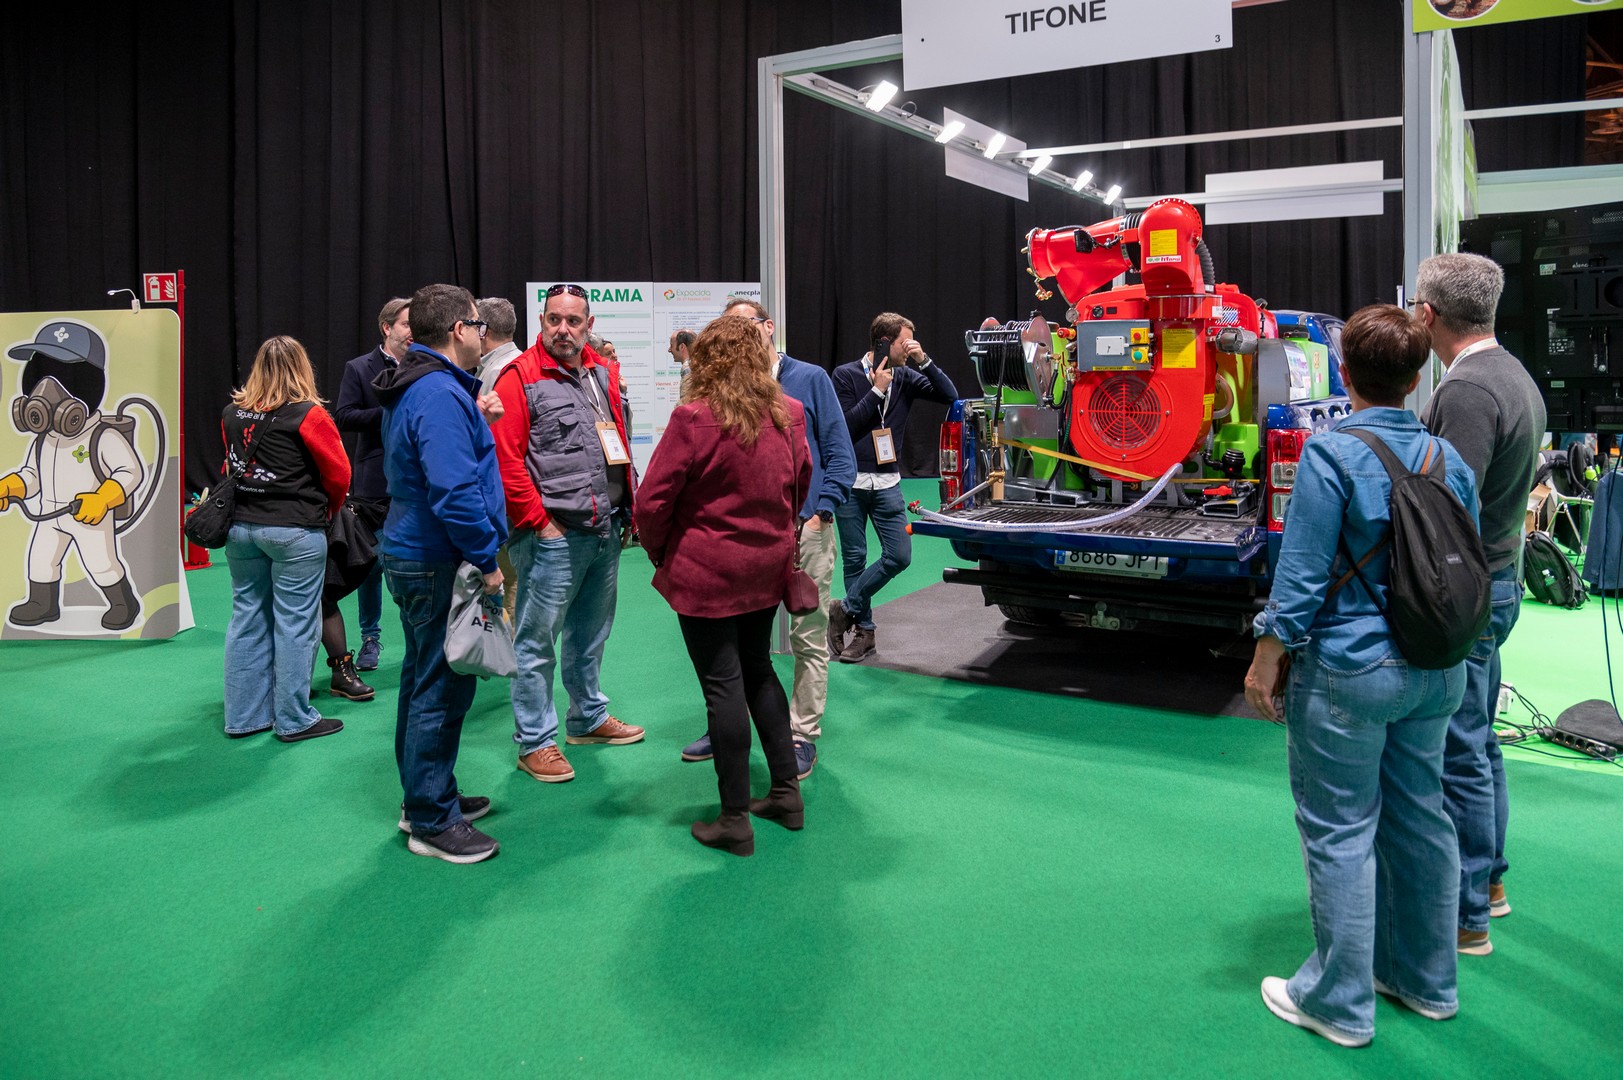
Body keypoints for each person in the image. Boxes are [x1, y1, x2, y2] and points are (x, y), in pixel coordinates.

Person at [1244, 305, 1479, 1047]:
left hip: (1350, 669)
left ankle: (1338, 1002)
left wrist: (1266, 656)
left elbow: (1302, 572)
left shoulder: (1330, 454)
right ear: (1417, 377)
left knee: (1339, 828)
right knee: (1422, 818)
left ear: (1343, 372)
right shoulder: (1449, 460)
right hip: (1436, 670)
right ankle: (1426, 982)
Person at [635, 315, 811, 855]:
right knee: (759, 669)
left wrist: (662, 553)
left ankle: (734, 819)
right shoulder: (790, 413)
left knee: (722, 684)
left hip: (707, 572)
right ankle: (786, 794)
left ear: (706, 361)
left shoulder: (693, 418)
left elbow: (651, 502)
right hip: (766, 568)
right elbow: (800, 484)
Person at [1413, 252, 1547, 955]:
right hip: (1498, 579)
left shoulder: (1465, 391)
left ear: (1427, 315)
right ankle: (1488, 884)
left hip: (1470, 591)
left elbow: (1448, 508)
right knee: (1479, 742)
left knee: (1459, 751)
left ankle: (1465, 915)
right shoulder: (1513, 375)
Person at [679, 298, 855, 779]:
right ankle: (726, 726)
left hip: (804, 533)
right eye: (728, 327)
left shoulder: (810, 379)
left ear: (768, 327)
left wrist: (820, 513)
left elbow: (839, 455)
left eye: (745, 325)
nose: (737, 336)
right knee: (733, 642)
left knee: (807, 636)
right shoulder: (717, 388)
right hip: (745, 541)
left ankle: (801, 735)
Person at [373, 283, 507, 864]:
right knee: (441, 685)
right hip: (436, 557)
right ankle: (431, 818)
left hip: (416, 551)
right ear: (459, 329)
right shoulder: (438, 392)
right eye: (478, 324)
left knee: (423, 677)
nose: (483, 334)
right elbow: (454, 491)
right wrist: (487, 559)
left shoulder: (422, 385)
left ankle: (425, 796)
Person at [491, 282, 643, 785]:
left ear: (588, 325)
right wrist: (541, 524)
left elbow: (617, 444)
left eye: (573, 321)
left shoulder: (601, 373)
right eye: (554, 319)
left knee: (590, 633)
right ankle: (535, 741)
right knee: (536, 642)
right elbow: (506, 461)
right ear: (541, 322)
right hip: (552, 536)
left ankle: (587, 717)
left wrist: (626, 511)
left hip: (604, 528)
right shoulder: (520, 378)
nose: (563, 329)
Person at [220, 336, 351, 743]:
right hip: (294, 530)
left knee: (247, 617)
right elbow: (340, 474)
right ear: (302, 367)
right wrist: (326, 512)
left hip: (241, 528)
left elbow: (231, 463)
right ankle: (294, 718)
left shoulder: (232, 413)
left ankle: (244, 716)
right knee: (296, 623)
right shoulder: (309, 414)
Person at [828, 312, 958, 662]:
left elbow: (950, 394)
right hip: (851, 482)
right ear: (883, 343)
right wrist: (876, 391)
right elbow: (845, 426)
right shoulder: (845, 375)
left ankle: (845, 609)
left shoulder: (907, 377)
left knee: (899, 555)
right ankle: (865, 633)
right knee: (855, 558)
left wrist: (924, 360)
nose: (910, 347)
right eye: (905, 342)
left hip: (888, 483)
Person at [335, 297, 412, 673]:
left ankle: (419, 638)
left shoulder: (425, 363)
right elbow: (344, 416)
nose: (413, 332)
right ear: (387, 328)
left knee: (413, 563)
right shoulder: (359, 367)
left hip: (416, 480)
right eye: (406, 324)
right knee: (370, 566)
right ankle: (370, 638)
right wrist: (390, 413)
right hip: (374, 482)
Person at [475, 296, 523, 624]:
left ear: (484, 330)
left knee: (510, 580)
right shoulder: (517, 363)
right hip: (511, 495)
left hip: (504, 497)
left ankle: (513, 649)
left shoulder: (500, 372)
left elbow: (495, 442)